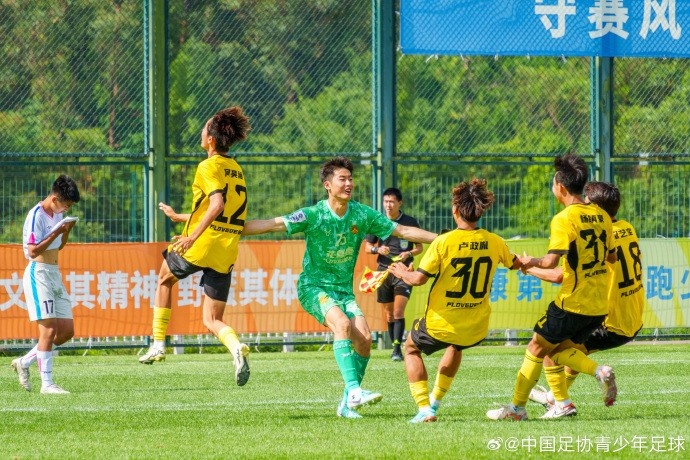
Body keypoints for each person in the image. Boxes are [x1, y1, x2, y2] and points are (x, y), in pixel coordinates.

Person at [242, 156, 437, 419]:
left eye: (351, 179)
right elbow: (271, 224)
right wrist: (227, 228)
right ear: (327, 185)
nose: (349, 183)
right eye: (342, 179)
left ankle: (346, 404)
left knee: (365, 341)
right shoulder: (313, 214)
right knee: (342, 325)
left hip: (343, 291)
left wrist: (443, 239)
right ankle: (354, 390)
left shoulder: (362, 213)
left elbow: (403, 231)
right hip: (314, 287)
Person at [486, 153, 618, 421]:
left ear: (560, 186)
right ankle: (587, 381)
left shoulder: (564, 219)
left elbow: (550, 261)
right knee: (557, 352)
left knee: (536, 347)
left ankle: (517, 409)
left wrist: (527, 262)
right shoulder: (601, 216)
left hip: (573, 302)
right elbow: (612, 257)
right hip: (597, 306)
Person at [388, 179, 522, 423]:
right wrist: (535, 262)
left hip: (442, 322)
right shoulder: (495, 241)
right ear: (479, 211)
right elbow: (516, 263)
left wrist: (401, 272)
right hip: (475, 327)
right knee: (456, 345)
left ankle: (424, 408)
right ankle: (435, 403)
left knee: (410, 348)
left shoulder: (444, 241)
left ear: (455, 210)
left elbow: (417, 279)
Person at [138, 107, 253, 387]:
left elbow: (216, 205)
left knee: (164, 279)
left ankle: (157, 344)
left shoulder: (207, 166)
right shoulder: (235, 169)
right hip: (226, 248)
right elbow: (223, 213)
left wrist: (191, 236)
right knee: (213, 318)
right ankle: (237, 347)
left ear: (211, 140)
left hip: (202, 242)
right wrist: (182, 217)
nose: (201, 134)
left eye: (204, 130)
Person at [526, 181, 645, 415]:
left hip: (609, 320)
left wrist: (527, 266)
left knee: (551, 347)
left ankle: (562, 402)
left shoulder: (593, 231)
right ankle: (555, 396)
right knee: (576, 353)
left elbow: (558, 275)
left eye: (587, 203)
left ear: (597, 209)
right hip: (632, 318)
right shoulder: (627, 228)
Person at [12, 175, 81, 394]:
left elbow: (58, 248)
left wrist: (66, 231)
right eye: (65, 205)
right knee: (49, 329)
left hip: (54, 273)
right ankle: (47, 384)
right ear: (54, 198)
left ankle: (24, 362)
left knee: (67, 331)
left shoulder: (56, 216)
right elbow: (32, 251)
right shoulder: (36, 215)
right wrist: (56, 232)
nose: (66, 209)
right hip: (38, 273)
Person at [364, 187, 422, 361]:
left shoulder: (410, 222)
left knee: (398, 311)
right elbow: (367, 247)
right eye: (385, 201)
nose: (388, 205)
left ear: (399, 203)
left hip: (403, 272)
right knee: (389, 314)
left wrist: (408, 254)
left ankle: (397, 349)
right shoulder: (377, 222)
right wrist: (377, 249)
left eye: (391, 202)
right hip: (383, 272)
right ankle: (396, 346)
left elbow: (419, 247)